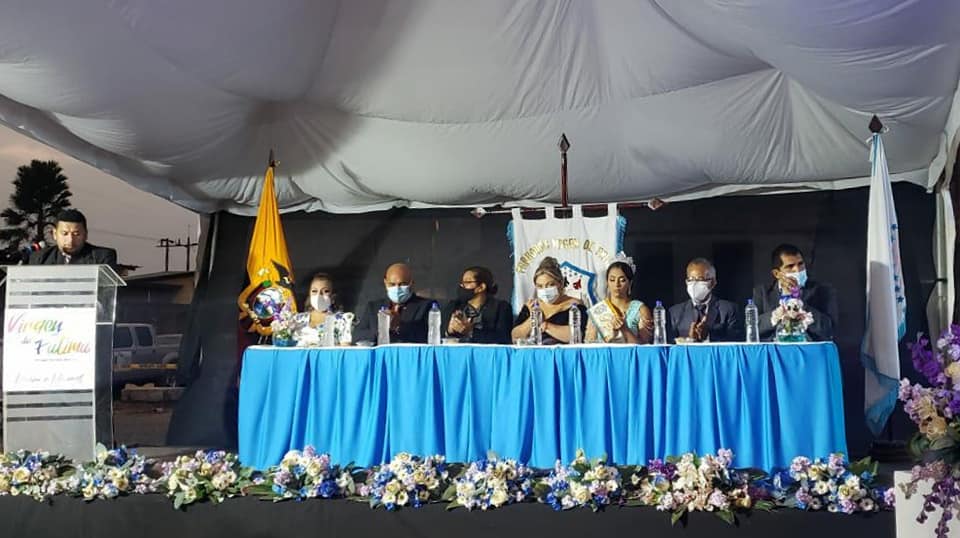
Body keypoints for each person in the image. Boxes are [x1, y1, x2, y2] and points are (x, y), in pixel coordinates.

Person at [752, 244, 838, 341]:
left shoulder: (822, 290)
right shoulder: (762, 292)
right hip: (773, 348)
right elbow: (752, 329)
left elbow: (830, 329)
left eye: (801, 264)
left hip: (808, 348)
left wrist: (799, 303)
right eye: (790, 266)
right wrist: (776, 315)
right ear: (777, 273)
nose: (797, 270)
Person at [511, 256, 587, 345]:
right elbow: (515, 336)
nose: (545, 290)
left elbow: (577, 335)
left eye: (550, 285)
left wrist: (546, 326)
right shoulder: (532, 306)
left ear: (561, 283)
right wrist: (533, 319)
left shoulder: (575, 306)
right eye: (540, 286)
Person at [667, 258, 743, 342]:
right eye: (691, 279)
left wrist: (708, 337)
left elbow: (735, 342)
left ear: (713, 282)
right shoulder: (675, 313)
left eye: (700, 279)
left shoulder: (729, 310)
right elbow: (669, 344)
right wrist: (689, 340)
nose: (694, 284)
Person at [355, 262, 433, 343]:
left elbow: (430, 336)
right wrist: (382, 331)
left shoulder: (427, 306)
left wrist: (399, 326)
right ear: (385, 283)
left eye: (402, 284)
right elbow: (357, 335)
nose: (397, 288)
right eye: (392, 284)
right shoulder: (373, 307)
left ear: (411, 283)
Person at [585, 259, 652, 344]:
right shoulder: (598, 310)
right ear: (607, 282)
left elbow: (645, 346)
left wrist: (625, 329)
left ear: (630, 283)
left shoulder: (640, 310)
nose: (617, 285)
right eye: (612, 280)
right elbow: (589, 344)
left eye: (622, 280)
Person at [441, 266, 513, 344]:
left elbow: (504, 338)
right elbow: (437, 334)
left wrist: (471, 331)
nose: (462, 286)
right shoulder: (453, 306)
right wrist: (449, 331)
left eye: (467, 282)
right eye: (462, 282)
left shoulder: (501, 308)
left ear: (481, 287)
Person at [29, 209, 117, 268]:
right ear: (55, 234)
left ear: (85, 234)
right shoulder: (40, 258)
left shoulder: (101, 257)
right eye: (65, 234)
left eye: (76, 234)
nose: (70, 240)